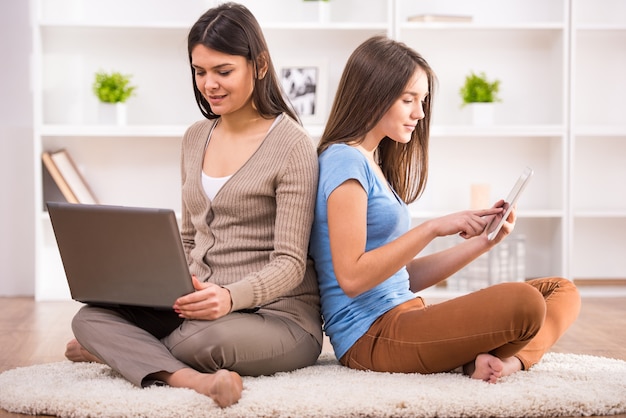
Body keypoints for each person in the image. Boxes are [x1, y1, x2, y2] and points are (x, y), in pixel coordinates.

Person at [64, 2, 322, 407]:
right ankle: (191, 380)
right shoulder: (194, 137)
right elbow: (188, 238)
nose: (209, 84)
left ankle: (119, 353)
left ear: (259, 65)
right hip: (198, 305)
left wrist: (230, 297)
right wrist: (164, 287)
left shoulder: (292, 145)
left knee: (204, 340)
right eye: (199, 72)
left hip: (278, 317)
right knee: (89, 318)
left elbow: (290, 263)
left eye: (223, 71)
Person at [308, 35, 581, 383]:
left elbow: (403, 276)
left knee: (561, 290)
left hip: (405, 316)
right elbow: (353, 277)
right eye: (409, 100)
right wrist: (434, 227)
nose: (419, 114)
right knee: (525, 304)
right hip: (371, 336)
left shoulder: (370, 161)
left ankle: (501, 364)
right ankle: (490, 358)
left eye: (421, 101)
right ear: (372, 95)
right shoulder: (342, 161)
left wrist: (484, 243)